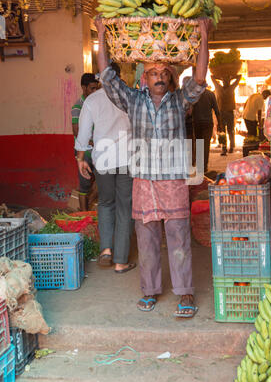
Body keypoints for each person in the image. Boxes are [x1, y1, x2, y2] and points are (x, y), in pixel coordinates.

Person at [95, 16, 211, 318]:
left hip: (172, 181)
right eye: (152, 72)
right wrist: (100, 33)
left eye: (164, 72)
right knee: (146, 240)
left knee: (179, 238)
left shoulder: (179, 101)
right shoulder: (132, 100)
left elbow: (199, 79)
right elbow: (106, 76)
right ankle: (149, 291)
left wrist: (203, 34)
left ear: (171, 78)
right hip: (144, 181)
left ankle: (185, 293)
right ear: (143, 78)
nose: (159, 76)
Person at [74, 63, 135, 274]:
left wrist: (81, 159)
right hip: (128, 158)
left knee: (106, 203)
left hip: (103, 160)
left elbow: (83, 134)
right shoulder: (130, 97)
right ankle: (120, 261)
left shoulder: (92, 100)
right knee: (125, 207)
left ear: (100, 78)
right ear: (119, 77)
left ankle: (106, 250)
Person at [72, 73, 99, 211]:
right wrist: (95, 142)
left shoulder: (96, 103)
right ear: (83, 87)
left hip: (98, 151)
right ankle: (83, 217)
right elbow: (77, 131)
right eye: (92, 88)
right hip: (85, 152)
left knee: (101, 183)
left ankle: (87, 208)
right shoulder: (78, 106)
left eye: (96, 88)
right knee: (84, 186)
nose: (95, 92)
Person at [192, 87, 222, 174]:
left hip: (196, 122)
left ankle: (199, 166)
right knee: (205, 145)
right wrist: (220, 124)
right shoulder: (210, 94)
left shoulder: (194, 94)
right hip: (207, 123)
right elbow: (216, 110)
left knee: (199, 144)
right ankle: (204, 167)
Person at [211, 74, 241, 156]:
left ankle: (224, 149)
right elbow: (239, 76)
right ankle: (230, 148)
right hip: (228, 112)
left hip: (222, 113)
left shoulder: (219, 87)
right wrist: (231, 78)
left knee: (223, 132)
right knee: (229, 131)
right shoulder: (231, 87)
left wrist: (220, 77)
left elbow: (212, 77)